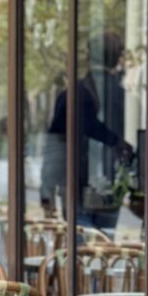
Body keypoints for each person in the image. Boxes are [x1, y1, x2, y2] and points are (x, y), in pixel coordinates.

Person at [41, 31, 133, 228]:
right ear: (118, 60)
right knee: (106, 251)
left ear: (89, 55)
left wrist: (47, 192)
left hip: (77, 188)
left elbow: (56, 147)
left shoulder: (71, 96)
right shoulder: (127, 100)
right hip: (110, 189)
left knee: (81, 254)